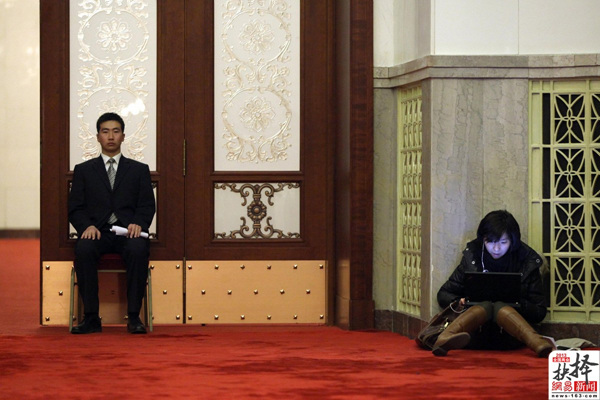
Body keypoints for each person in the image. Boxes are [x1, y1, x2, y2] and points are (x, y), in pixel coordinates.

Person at [68, 112, 155, 334]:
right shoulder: (84, 170)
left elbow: (147, 205)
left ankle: (134, 317)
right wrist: (86, 226)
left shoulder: (139, 170)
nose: (110, 136)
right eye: (105, 131)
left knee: (137, 249)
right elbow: (75, 207)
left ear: (123, 136)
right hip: (97, 231)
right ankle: (91, 317)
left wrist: (138, 223)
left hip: (128, 232)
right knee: (84, 249)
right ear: (98, 136)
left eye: (116, 131)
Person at [434, 210, 553, 357]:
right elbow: (443, 294)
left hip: (510, 336)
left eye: (503, 242)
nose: (496, 249)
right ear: (483, 239)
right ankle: (446, 338)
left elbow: (539, 312)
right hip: (474, 334)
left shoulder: (526, 261)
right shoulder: (473, 257)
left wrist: (516, 303)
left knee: (498, 306)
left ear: (513, 241)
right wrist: (460, 302)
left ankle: (537, 343)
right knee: (486, 305)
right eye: (490, 242)